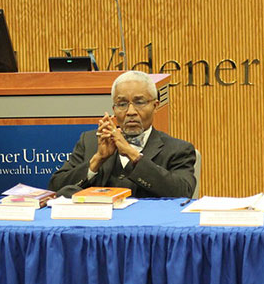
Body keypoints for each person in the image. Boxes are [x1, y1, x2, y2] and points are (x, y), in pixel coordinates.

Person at [49, 70, 196, 198]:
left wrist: (134, 156)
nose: (131, 111)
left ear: (155, 106)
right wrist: (97, 160)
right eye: (122, 104)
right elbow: (56, 188)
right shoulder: (90, 142)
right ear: (114, 109)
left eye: (139, 102)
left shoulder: (178, 149)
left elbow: (183, 193)